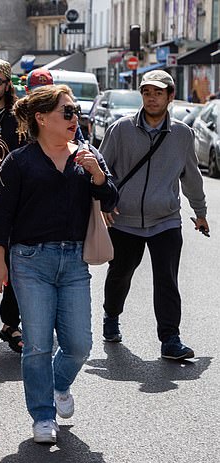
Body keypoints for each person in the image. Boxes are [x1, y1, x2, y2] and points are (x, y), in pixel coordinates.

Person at [0, 84, 118, 444]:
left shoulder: (87, 155)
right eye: (67, 112)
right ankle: (43, 415)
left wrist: (98, 176)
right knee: (38, 345)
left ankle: (59, 383)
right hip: (30, 260)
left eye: (76, 111)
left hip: (74, 260)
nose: (74, 118)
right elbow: (2, 215)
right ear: (42, 118)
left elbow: (111, 199)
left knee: (79, 344)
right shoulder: (20, 161)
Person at [99, 70, 208, 360]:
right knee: (120, 273)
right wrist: (102, 203)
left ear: (170, 97)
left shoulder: (182, 135)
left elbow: (191, 177)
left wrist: (200, 212)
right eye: (147, 92)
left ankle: (170, 339)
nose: (152, 98)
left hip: (166, 220)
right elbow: (101, 169)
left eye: (158, 93)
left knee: (167, 280)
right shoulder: (120, 129)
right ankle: (111, 315)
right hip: (125, 220)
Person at [0, 57, 24, 354]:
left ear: (8, 85)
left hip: (11, 200)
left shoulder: (17, 117)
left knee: (10, 264)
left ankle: (10, 323)